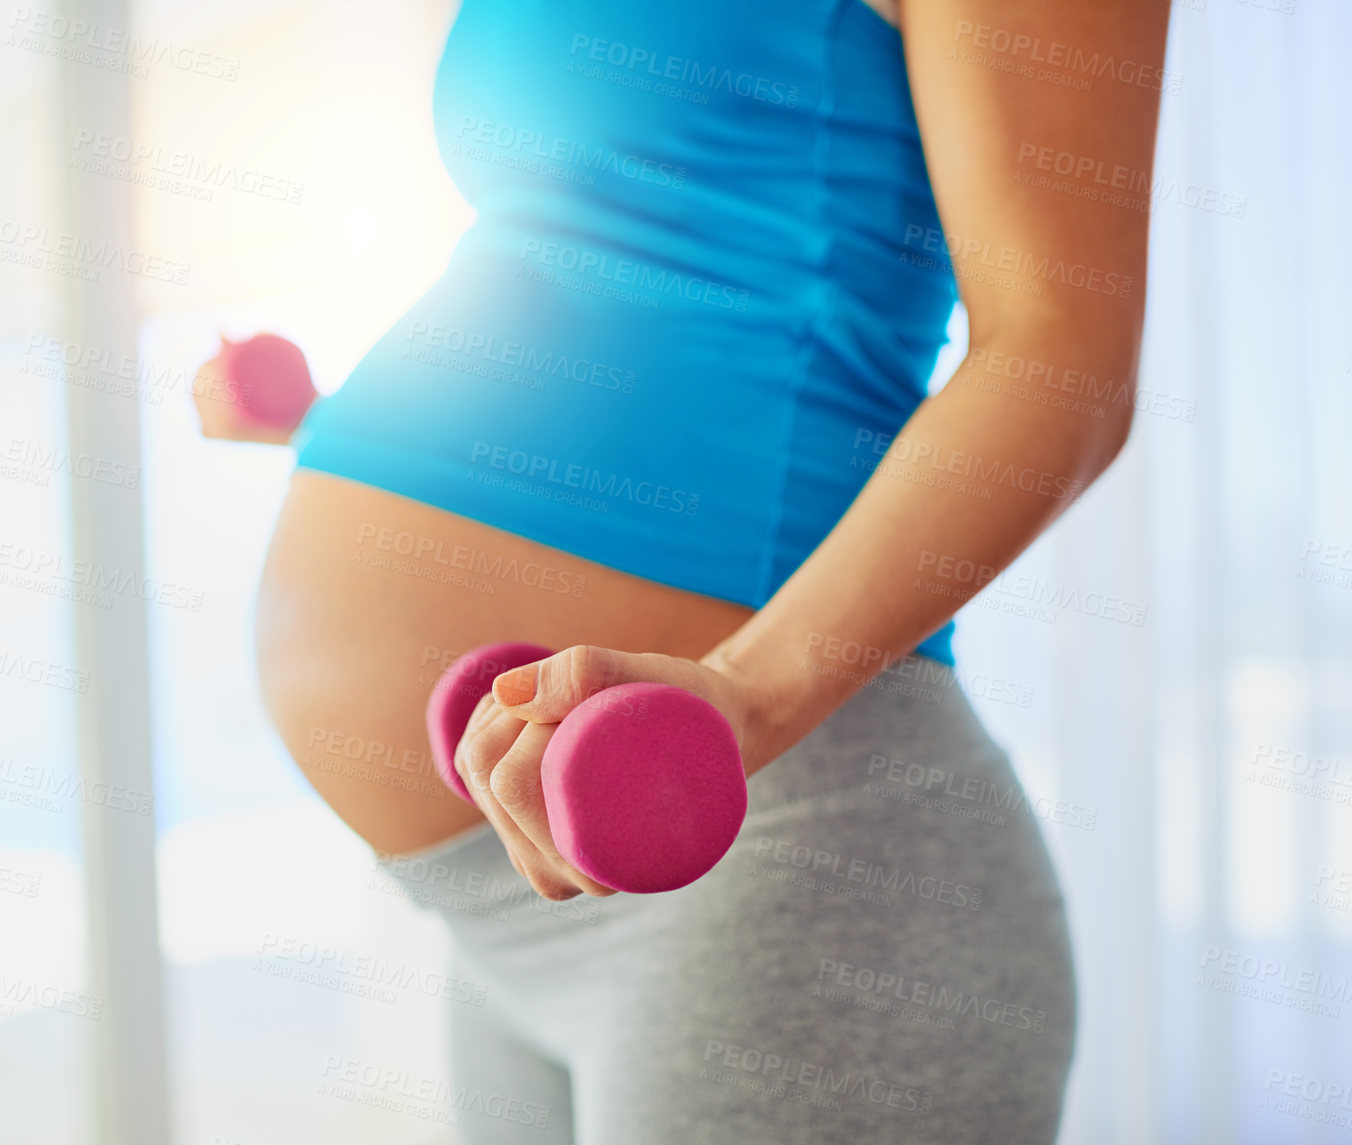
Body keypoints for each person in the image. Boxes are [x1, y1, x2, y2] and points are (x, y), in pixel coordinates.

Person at [199, 1, 1168, 1140]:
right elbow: (616, 265)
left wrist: (747, 698)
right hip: (499, 909)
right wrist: (348, 424)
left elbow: (1061, 359)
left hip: (771, 850)